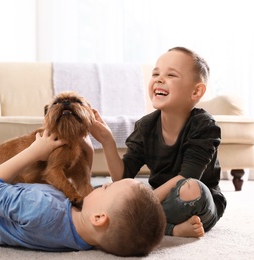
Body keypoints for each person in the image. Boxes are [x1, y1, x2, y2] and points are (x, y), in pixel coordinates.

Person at [0, 130, 166, 257]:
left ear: (99, 218)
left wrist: (35, 151)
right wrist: (88, 149)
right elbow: (81, 189)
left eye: (108, 187)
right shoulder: (85, 237)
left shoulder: (42, 209)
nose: (102, 185)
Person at [90, 46, 227, 238]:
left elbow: (188, 176)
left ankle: (138, 221)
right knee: (97, 192)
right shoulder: (145, 126)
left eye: (171, 75)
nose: (159, 79)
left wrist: (141, 203)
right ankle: (170, 228)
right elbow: (122, 177)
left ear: (196, 91)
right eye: (156, 73)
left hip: (194, 201)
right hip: (159, 198)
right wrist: (107, 141)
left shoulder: (204, 126)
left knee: (191, 189)